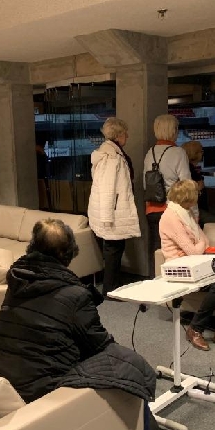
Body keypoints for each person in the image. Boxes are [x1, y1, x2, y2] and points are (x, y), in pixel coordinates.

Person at [0, 218, 177, 430]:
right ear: (67, 254)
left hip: (4, 374)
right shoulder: (73, 295)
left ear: (33, 247)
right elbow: (99, 344)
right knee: (129, 365)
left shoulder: (18, 278)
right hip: (41, 387)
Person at [159, 180, 215, 352]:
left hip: (195, 263)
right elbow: (194, 250)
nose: (199, 195)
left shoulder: (187, 213)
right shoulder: (171, 217)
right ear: (188, 196)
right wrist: (200, 244)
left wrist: (199, 244)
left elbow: (204, 240)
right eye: (196, 193)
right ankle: (195, 328)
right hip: (180, 268)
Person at [88, 117, 140, 296]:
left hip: (111, 211)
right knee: (113, 251)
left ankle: (113, 285)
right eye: (125, 133)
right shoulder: (111, 158)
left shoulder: (108, 154)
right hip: (112, 213)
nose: (128, 137)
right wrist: (107, 218)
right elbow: (108, 189)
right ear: (118, 135)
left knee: (114, 250)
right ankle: (110, 289)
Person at [143, 114, 191, 278]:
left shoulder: (150, 153)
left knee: (155, 249)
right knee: (174, 251)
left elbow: (145, 184)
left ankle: (153, 279)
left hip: (151, 209)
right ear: (173, 131)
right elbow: (187, 186)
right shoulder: (178, 152)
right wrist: (194, 213)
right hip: (172, 210)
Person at [183, 140, 208, 223]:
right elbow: (199, 186)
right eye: (201, 151)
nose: (202, 153)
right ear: (195, 153)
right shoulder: (190, 169)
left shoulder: (187, 166)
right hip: (196, 210)